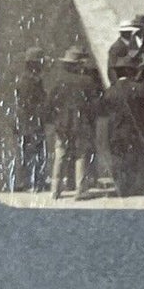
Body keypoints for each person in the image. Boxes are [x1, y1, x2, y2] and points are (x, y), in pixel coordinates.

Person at [48, 46, 102, 200]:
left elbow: (50, 102)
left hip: (62, 124)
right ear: (79, 65)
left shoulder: (59, 80)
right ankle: (80, 190)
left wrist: (56, 118)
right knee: (81, 155)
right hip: (81, 123)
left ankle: (55, 190)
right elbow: (95, 104)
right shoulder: (87, 81)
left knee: (60, 155)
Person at [102, 61, 144, 197]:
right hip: (135, 130)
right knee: (136, 158)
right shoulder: (138, 88)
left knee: (120, 159)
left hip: (116, 131)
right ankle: (139, 187)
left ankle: (123, 188)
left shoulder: (110, 91)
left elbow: (103, 109)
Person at [11, 46, 49, 192]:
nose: (42, 65)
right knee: (35, 151)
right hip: (31, 121)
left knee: (28, 151)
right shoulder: (31, 80)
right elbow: (33, 102)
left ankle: (29, 182)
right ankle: (32, 183)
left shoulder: (25, 78)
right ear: (34, 63)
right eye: (40, 62)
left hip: (26, 121)